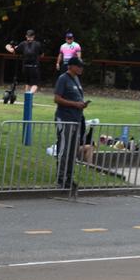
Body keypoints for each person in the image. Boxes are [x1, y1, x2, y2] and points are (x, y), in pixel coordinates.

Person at [54, 57, 89, 189]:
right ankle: (61, 178)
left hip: (76, 120)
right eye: (78, 66)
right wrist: (75, 104)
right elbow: (57, 98)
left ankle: (69, 178)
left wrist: (82, 105)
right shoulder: (63, 78)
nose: (81, 68)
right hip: (65, 119)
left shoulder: (76, 79)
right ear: (71, 66)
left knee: (73, 151)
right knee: (64, 149)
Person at [6, 28, 42, 94]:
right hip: (34, 67)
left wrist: (7, 46)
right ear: (33, 36)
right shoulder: (38, 44)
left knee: (27, 83)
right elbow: (42, 54)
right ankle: (29, 96)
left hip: (25, 67)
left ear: (26, 36)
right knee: (35, 84)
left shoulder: (23, 44)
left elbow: (12, 50)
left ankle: (26, 99)